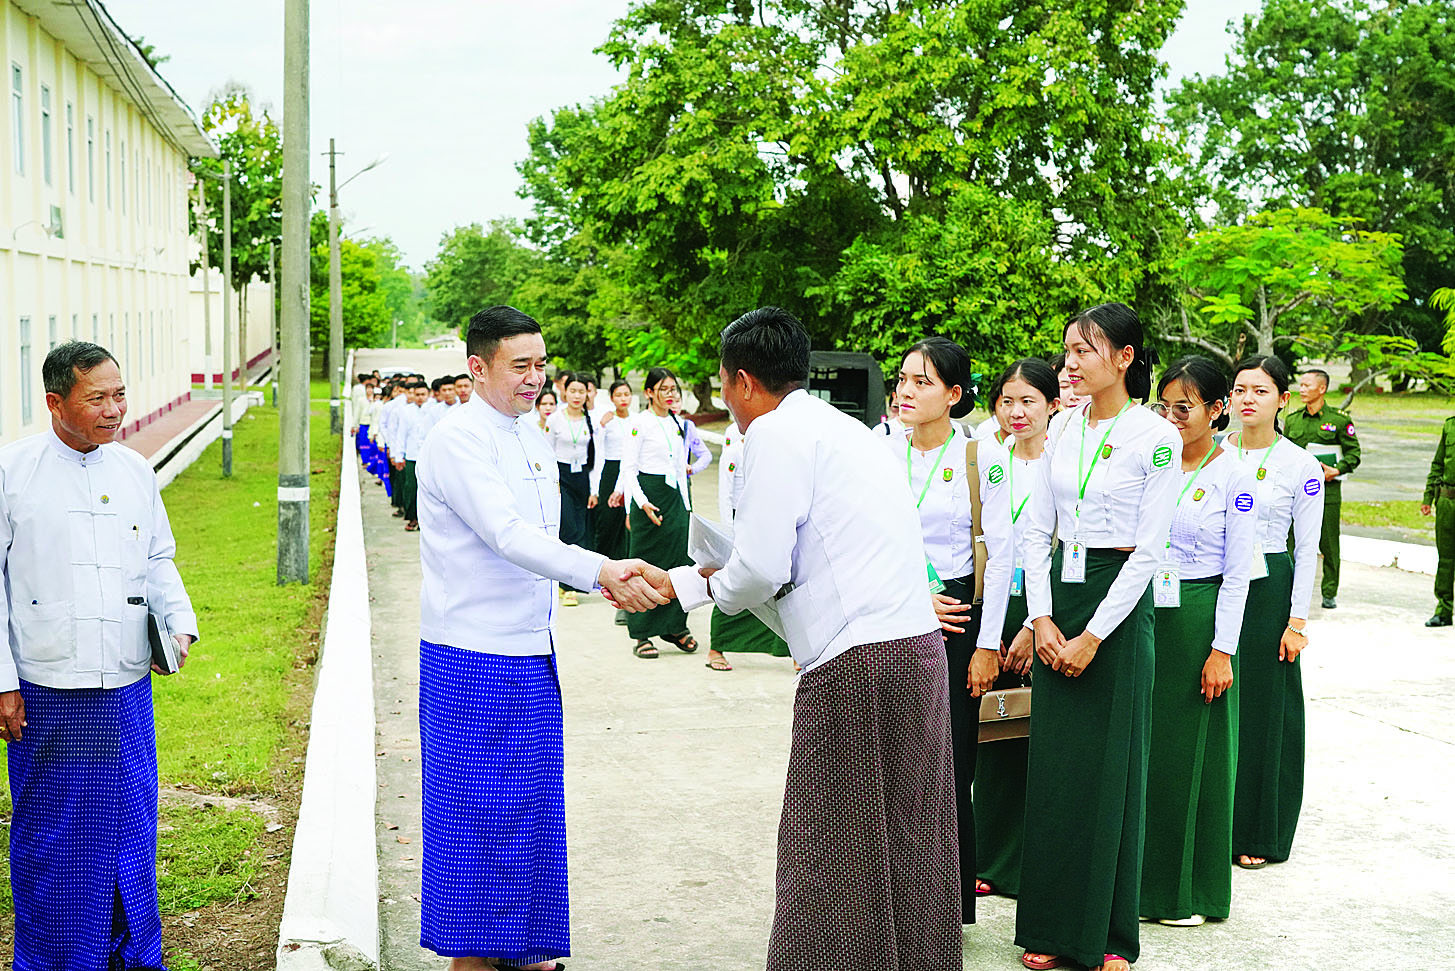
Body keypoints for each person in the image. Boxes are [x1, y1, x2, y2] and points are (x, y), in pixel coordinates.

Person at [666, 306, 961, 970]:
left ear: (743, 381)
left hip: (856, 659)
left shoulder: (773, 433)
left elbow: (762, 565)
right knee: (907, 833)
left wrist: (697, 586)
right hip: (911, 647)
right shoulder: (846, 429)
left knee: (826, 837)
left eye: (721, 384)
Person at [413, 306, 670, 971]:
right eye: (520, 365)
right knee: (477, 822)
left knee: (528, 813)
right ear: (478, 367)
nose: (536, 378)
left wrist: (598, 575)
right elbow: (508, 534)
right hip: (471, 657)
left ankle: (529, 951)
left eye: (541, 363)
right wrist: (600, 571)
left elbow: (543, 540)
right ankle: (473, 956)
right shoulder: (457, 438)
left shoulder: (531, 434)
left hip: (531, 652)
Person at [0, 341, 198, 971]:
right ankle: (58, 959)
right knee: (57, 838)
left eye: (120, 394)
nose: (116, 410)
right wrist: (3, 683)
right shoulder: (13, 473)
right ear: (55, 402)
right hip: (49, 692)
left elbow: (159, 558)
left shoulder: (134, 470)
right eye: (99, 399)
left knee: (130, 826)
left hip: (126, 689)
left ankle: (131, 956)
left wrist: (178, 625)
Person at [1017, 302, 1181, 971]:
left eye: (1085, 350)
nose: (1072, 362)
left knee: (1111, 771)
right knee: (1057, 772)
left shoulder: (1155, 436)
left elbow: (1148, 550)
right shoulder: (1061, 428)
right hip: (1062, 591)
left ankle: (1106, 935)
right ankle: (1052, 929)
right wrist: (1043, 617)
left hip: (1117, 604)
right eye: (1067, 350)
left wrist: (1090, 635)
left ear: (1124, 357)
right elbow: (1034, 526)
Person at [891, 336, 1014, 927]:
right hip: (894, 612)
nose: (906, 390)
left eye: (923, 382)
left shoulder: (982, 456)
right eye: (904, 379)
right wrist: (912, 599)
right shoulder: (882, 451)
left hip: (958, 620)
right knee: (895, 764)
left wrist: (986, 646)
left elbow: (1003, 553)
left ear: (955, 395)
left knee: (949, 765)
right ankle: (893, 902)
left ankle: (945, 910)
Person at [1140, 356, 1257, 927]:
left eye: (1183, 408)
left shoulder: (1234, 476)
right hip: (1145, 611)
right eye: (1164, 406)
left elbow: (1237, 572)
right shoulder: (1156, 459)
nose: (1172, 417)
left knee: (1193, 759)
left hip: (1197, 619)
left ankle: (1184, 893)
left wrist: (1222, 649)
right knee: (1148, 753)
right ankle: (1137, 884)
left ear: (1217, 410)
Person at [1226, 355, 1323, 870]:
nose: (1248, 399)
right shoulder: (1217, 451)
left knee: (1266, 712)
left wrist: (1296, 622)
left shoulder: (1300, 466)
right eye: (1241, 389)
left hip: (1269, 594)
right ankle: (1212, 822)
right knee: (1216, 704)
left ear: (1282, 400)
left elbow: (1307, 549)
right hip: (1219, 587)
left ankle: (1259, 831)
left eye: (1261, 391)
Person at [973, 357, 1059, 900]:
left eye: (1029, 400)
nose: (1017, 411)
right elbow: (999, 551)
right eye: (1007, 400)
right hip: (1005, 603)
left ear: (1053, 404)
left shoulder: (1067, 460)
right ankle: (994, 858)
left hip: (1057, 610)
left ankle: (1040, 863)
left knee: (1048, 741)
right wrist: (992, 634)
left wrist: (1035, 622)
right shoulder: (996, 460)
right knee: (1000, 735)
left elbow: (1055, 545)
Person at [616, 368, 699, 659]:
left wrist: (686, 507)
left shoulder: (678, 422)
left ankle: (674, 626)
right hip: (648, 496)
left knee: (679, 561)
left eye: (674, 389)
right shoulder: (639, 423)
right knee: (645, 564)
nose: (671, 394)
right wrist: (640, 503)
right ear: (649, 392)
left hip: (675, 497)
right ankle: (641, 633)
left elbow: (679, 467)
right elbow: (628, 469)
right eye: (664, 389)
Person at [706, 419, 791, 671]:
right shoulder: (735, 448)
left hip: (769, 522)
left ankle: (791, 651)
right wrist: (729, 530)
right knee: (735, 581)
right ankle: (716, 647)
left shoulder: (775, 448)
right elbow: (726, 494)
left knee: (779, 585)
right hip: (740, 524)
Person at [1283, 368, 1360, 609]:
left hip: (1327, 492)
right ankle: (1289, 588)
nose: (1302, 389)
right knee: (1291, 542)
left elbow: (1354, 454)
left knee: (1328, 542)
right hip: (1295, 493)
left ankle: (1329, 592)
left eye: (1307, 385)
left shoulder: (1338, 420)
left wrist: (1336, 470)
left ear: (1322, 388)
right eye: (1301, 385)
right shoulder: (1293, 420)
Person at [544, 373, 599, 606]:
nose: (577, 396)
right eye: (572, 391)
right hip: (561, 477)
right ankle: (567, 586)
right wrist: (551, 486)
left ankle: (574, 580)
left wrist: (594, 490)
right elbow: (546, 455)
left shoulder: (591, 420)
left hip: (582, 478)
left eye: (581, 391)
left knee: (582, 528)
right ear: (564, 392)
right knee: (569, 528)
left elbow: (597, 457)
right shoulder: (555, 419)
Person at [595, 381, 635, 626]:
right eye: (618, 395)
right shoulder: (606, 421)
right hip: (610, 470)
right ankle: (602, 568)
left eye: (627, 394)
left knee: (625, 524)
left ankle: (621, 567)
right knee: (607, 521)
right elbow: (597, 451)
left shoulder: (636, 420)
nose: (623, 398)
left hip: (629, 471)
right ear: (611, 397)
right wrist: (600, 427)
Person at [1421, 415, 1455, 627]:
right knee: (1446, 559)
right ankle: (1443, 610)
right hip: (1447, 501)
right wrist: (1428, 497)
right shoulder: (1450, 425)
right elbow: (1438, 464)